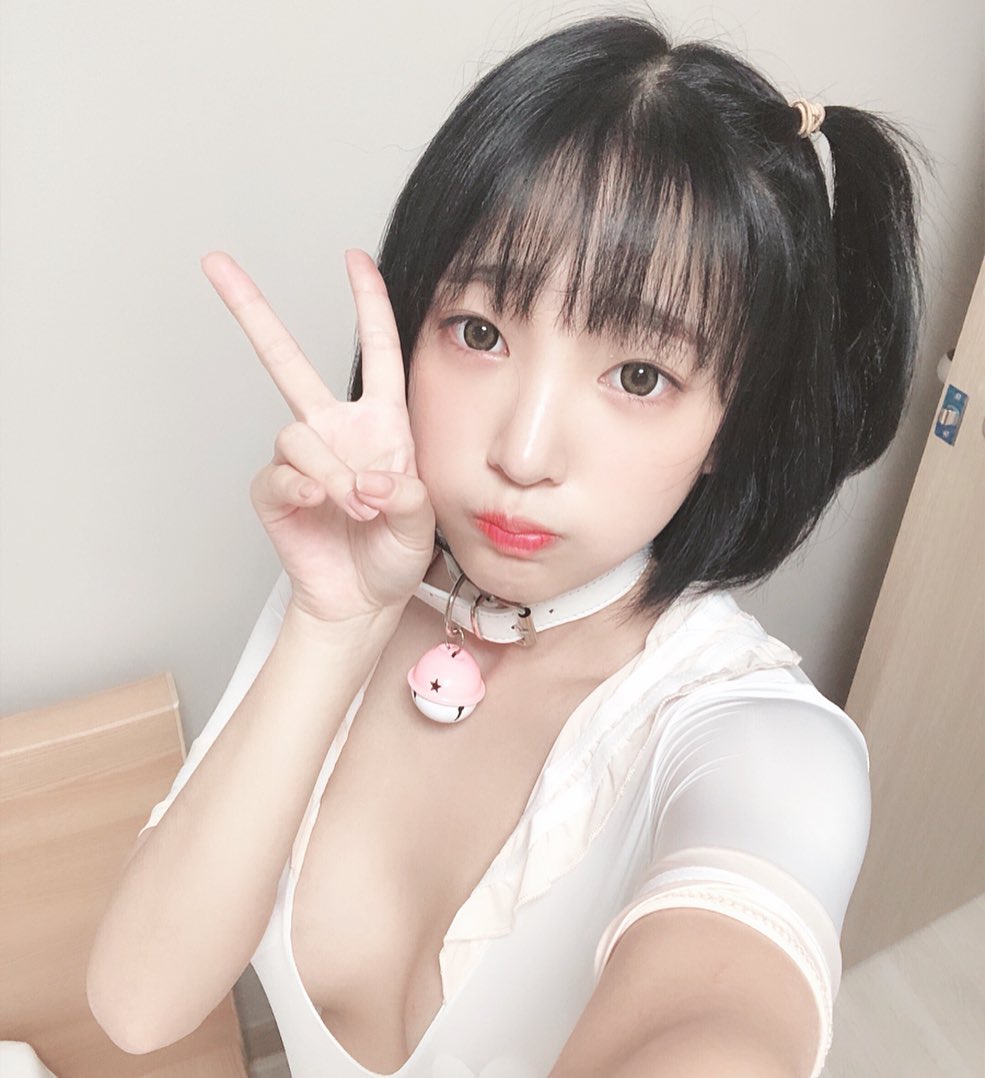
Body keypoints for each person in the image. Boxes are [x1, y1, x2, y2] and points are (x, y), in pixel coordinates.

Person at [86, 14, 922, 1078]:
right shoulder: (354, 580)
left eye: (639, 376)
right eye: (478, 332)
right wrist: (331, 627)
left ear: (731, 423)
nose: (522, 454)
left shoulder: (762, 742)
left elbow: (722, 1020)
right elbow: (138, 1005)